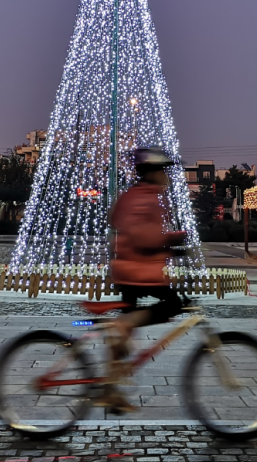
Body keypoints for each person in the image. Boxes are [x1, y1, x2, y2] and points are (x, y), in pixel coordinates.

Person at [103, 146, 188, 413]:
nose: (167, 176)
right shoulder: (146, 198)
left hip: (128, 268)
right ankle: (122, 325)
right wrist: (174, 239)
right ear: (151, 172)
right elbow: (143, 236)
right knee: (173, 305)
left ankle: (110, 389)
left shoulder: (133, 195)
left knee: (125, 327)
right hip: (138, 271)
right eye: (163, 171)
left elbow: (117, 221)